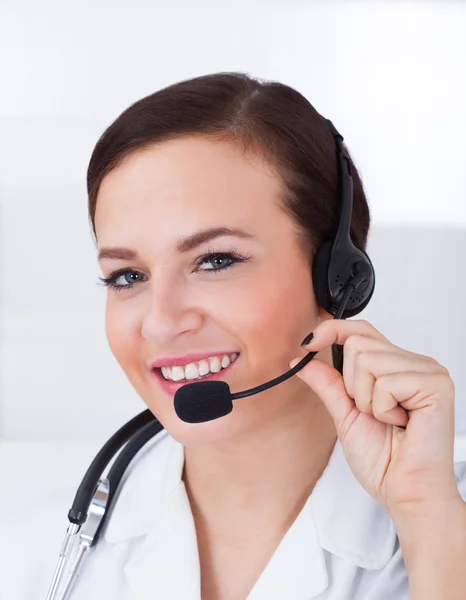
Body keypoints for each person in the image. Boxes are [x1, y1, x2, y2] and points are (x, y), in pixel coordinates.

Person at [1, 72, 465, 600]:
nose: (159, 321)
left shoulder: (443, 525)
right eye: (127, 276)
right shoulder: (31, 558)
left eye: (215, 261)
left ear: (336, 278)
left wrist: (430, 520)